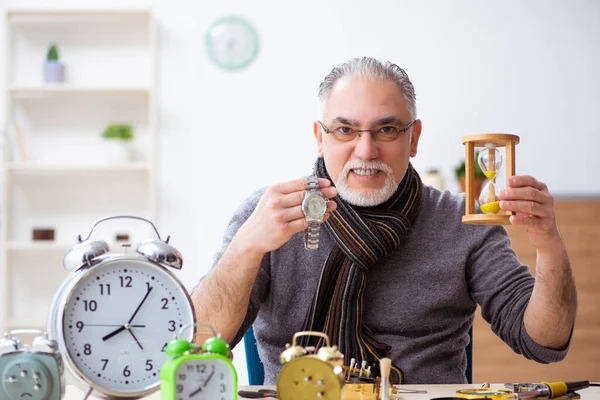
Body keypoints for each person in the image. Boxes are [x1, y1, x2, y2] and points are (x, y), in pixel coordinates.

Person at [191, 57, 577, 384]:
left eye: (387, 129)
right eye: (345, 129)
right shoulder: (267, 213)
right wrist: (246, 247)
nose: (366, 149)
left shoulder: (462, 223)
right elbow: (197, 343)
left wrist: (549, 243)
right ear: (319, 137)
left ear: (414, 138)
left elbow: (544, 342)